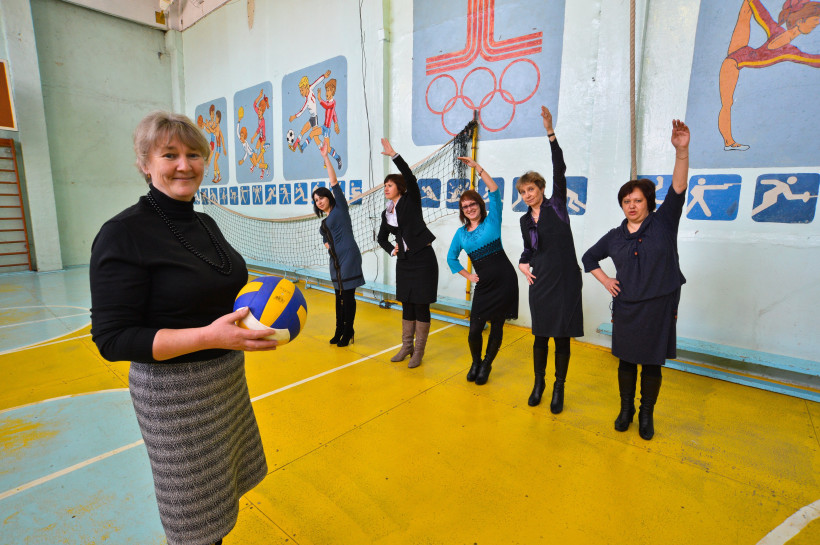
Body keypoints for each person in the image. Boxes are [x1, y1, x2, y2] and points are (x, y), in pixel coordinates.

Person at [89, 111, 278, 545]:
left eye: (194, 154)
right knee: (194, 524)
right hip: (175, 397)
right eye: (169, 154)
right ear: (145, 163)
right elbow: (113, 339)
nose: (184, 165)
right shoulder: (123, 233)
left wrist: (263, 304)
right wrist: (210, 336)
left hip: (224, 381)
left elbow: (215, 286)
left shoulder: (205, 222)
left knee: (220, 503)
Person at [582, 119, 690, 441]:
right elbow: (588, 258)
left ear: (648, 203)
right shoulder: (614, 236)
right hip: (627, 307)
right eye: (627, 201)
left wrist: (681, 151)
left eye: (638, 200)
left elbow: (678, 188)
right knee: (626, 362)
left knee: (652, 364)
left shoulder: (663, 222)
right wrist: (606, 281)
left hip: (658, 306)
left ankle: (646, 414)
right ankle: (626, 409)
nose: (632, 205)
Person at [517, 106, 584, 414]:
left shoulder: (557, 205)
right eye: (523, 192)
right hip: (541, 280)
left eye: (531, 189)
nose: (527, 195)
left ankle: (559, 387)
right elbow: (529, 250)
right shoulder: (524, 220)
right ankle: (539, 384)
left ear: (541, 189)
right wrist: (522, 262)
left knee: (562, 338)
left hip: (566, 280)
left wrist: (550, 132)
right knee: (541, 337)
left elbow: (560, 168)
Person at [447, 159, 518, 385]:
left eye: (472, 204)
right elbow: (450, 258)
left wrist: (477, 167)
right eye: (465, 207)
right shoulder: (461, 234)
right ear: (462, 211)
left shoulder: (492, 220)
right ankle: (476, 362)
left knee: (497, 326)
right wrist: (468, 276)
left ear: (479, 204)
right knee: (475, 329)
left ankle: (487, 364)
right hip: (484, 285)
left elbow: (494, 191)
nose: (469, 208)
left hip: (505, 281)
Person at [719, 0, 820, 150]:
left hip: (743, 51)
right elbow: (762, 12)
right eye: (815, 21)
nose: (816, 25)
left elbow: (813, 60)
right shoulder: (781, 39)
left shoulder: (790, 50)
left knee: (747, 9)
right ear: (800, 21)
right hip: (733, 62)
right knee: (727, 103)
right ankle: (729, 142)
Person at [377, 137, 439, 368]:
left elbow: (410, 177)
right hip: (404, 262)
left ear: (400, 188)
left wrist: (394, 155)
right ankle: (406, 346)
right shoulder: (387, 212)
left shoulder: (411, 200)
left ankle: (418, 351)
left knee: (421, 305)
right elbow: (381, 238)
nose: (386, 188)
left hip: (423, 259)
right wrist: (392, 250)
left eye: (390, 185)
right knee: (407, 304)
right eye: (385, 185)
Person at [312, 142, 365, 346]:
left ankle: (348, 330)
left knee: (348, 296)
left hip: (349, 256)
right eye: (316, 200)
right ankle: (339, 329)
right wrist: (327, 243)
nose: (319, 201)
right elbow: (326, 237)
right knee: (338, 296)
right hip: (335, 261)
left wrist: (326, 157)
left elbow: (334, 182)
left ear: (328, 197)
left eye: (321, 198)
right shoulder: (325, 221)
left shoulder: (340, 208)